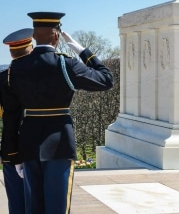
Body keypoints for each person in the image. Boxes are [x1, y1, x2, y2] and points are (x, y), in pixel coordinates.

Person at [8, 12, 114, 214]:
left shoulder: (17, 66)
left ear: (33, 36)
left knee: (34, 207)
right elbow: (106, 79)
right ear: (56, 36)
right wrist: (82, 51)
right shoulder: (66, 64)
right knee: (57, 207)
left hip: (28, 143)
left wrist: (15, 154)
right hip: (59, 144)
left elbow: (12, 114)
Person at [1, 28, 34, 214]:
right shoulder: (44, 76)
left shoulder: (3, 78)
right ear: (31, 48)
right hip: (40, 146)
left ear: (11, 52)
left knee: (17, 204)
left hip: (12, 149)